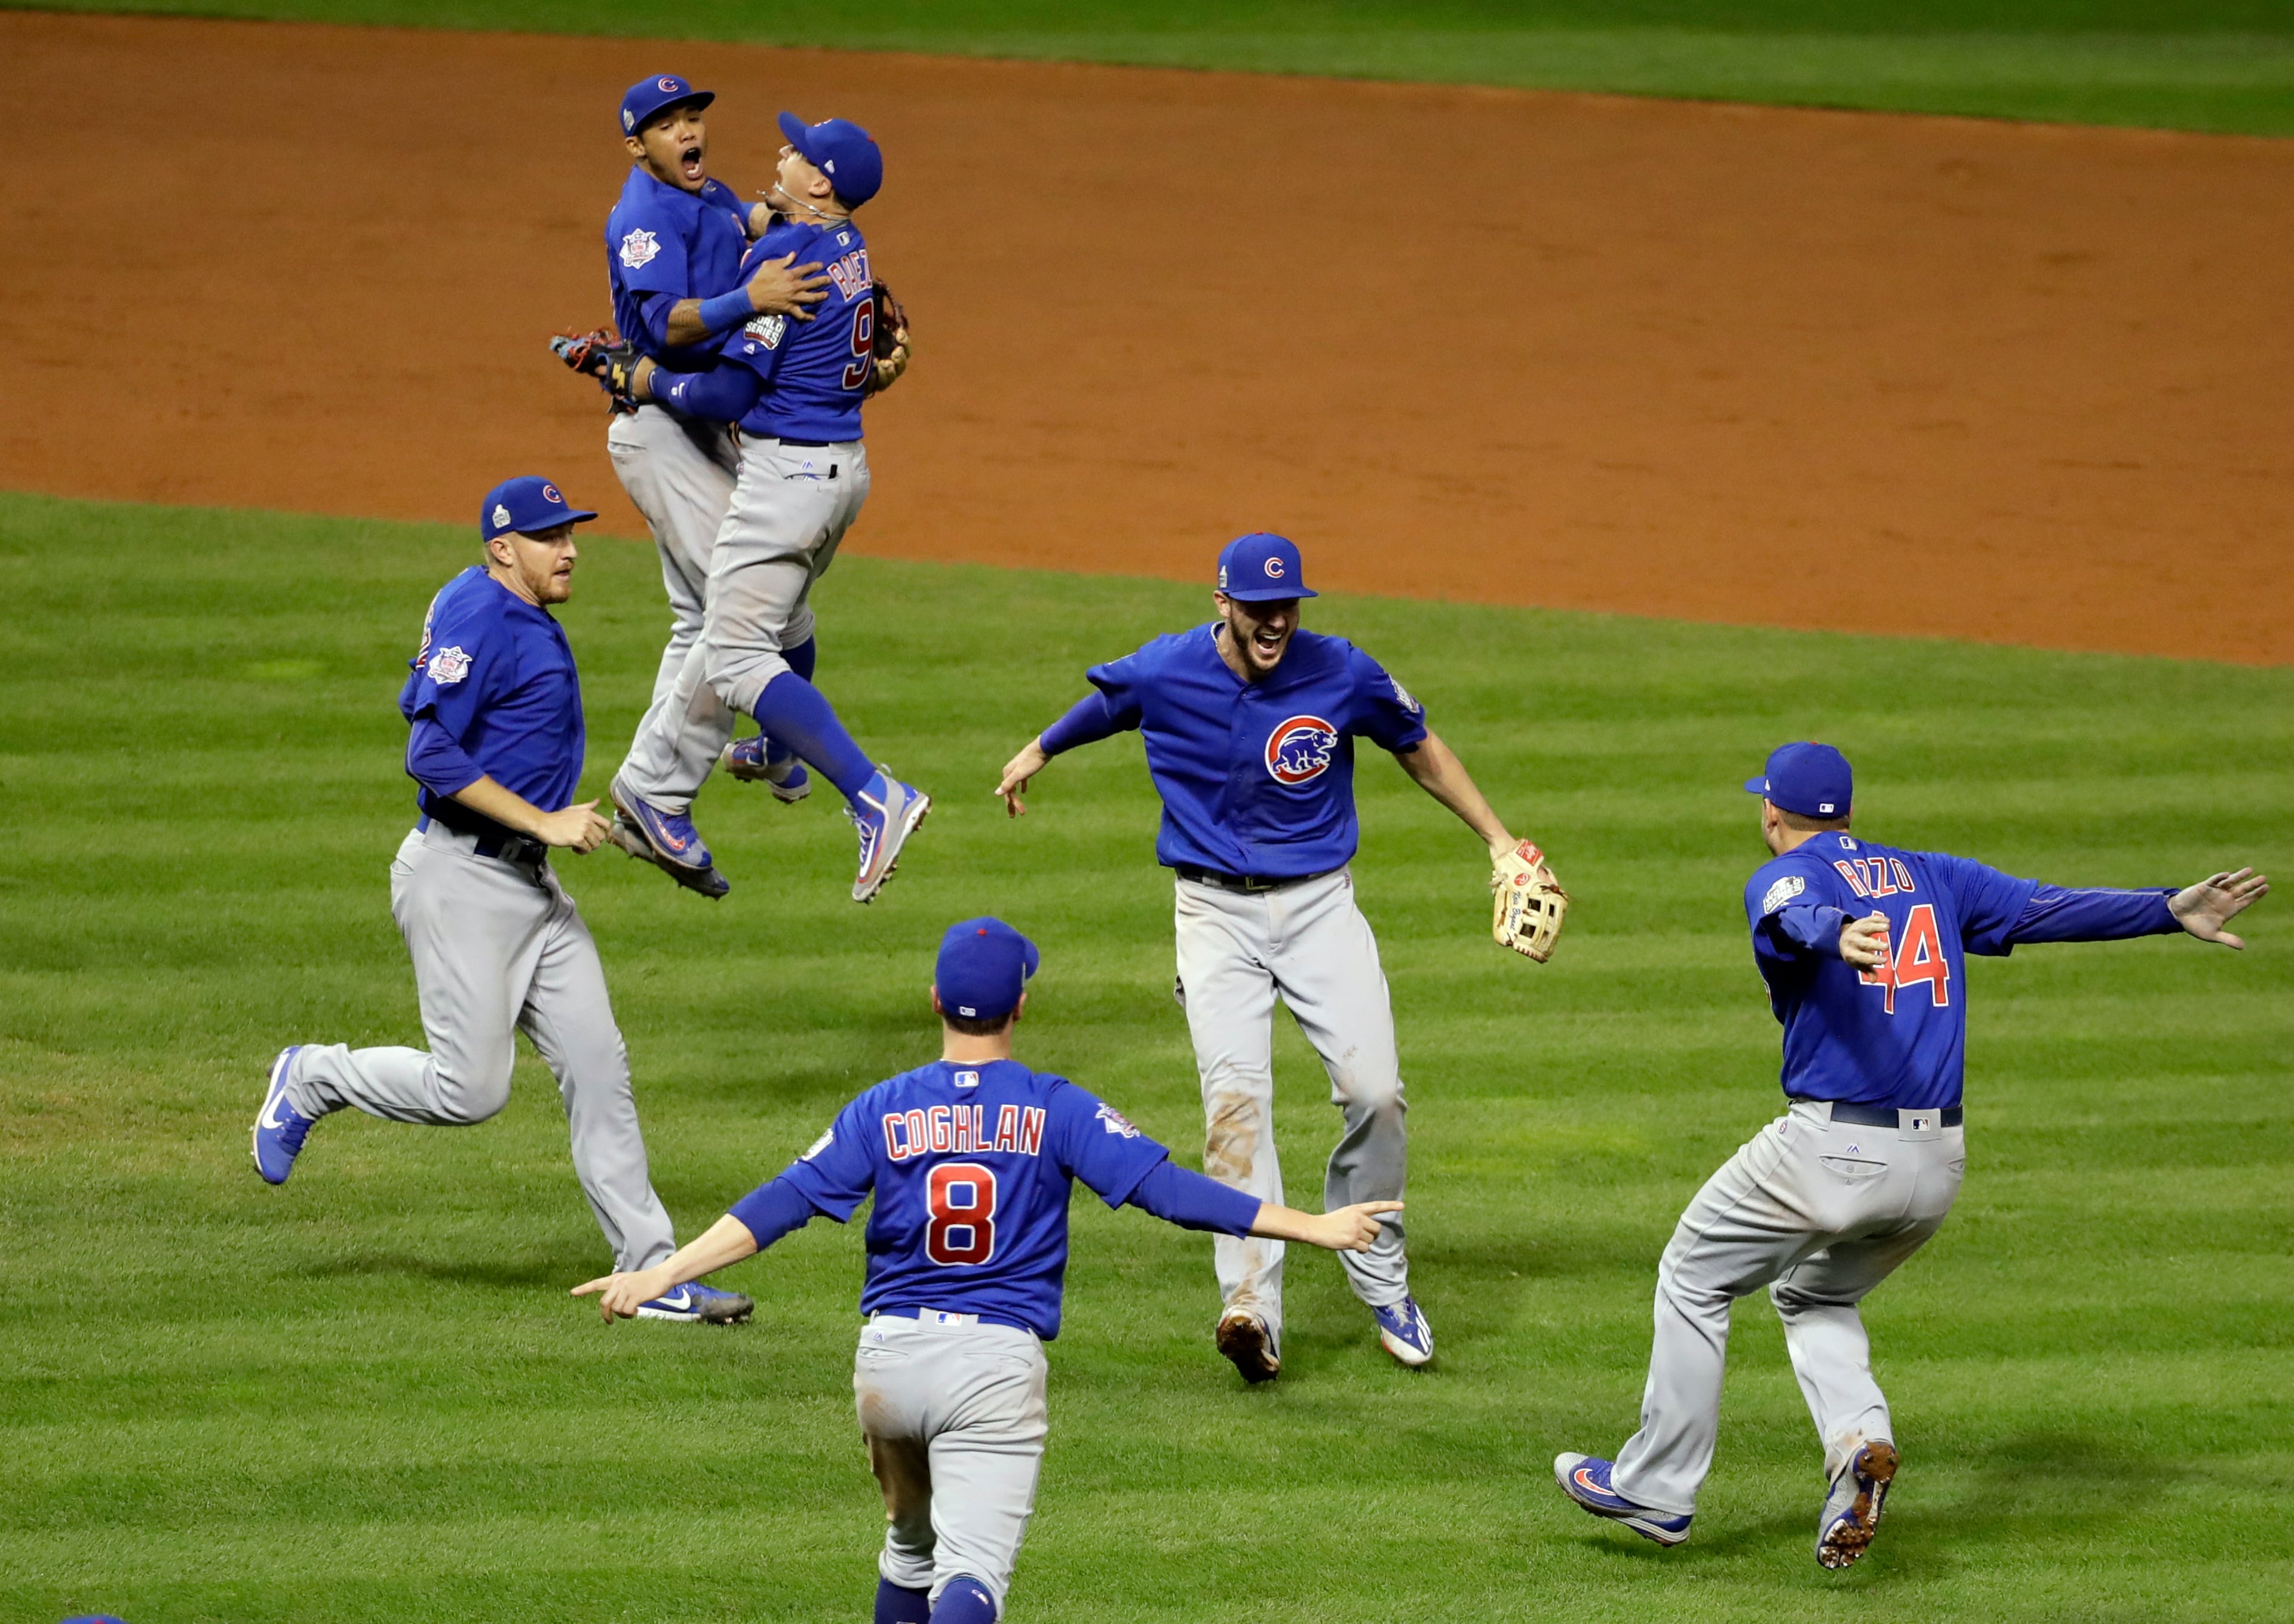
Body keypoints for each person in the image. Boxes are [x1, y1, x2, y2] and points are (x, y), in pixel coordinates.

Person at [1553, 742, 2268, 1568]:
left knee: (1692, 1274)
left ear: (1772, 813)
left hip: (1832, 1149)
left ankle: (1657, 1490)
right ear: (1849, 811)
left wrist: (1833, 934)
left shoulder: (1789, 873)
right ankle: (1860, 1450)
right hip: (1934, 1170)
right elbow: (2042, 908)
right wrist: (2165, 910)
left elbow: (1790, 911)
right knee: (1813, 1295)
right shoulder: (1935, 873)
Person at [574, 916, 1400, 1623]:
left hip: (887, 1365)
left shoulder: (883, 1106)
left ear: (936, 1002)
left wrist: (659, 1274)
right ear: (1022, 1005)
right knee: (973, 1579)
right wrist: (1314, 1227)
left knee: (910, 1544)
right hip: (993, 1371)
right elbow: (1173, 1193)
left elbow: (779, 1204)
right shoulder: (1055, 1105)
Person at [992, 533, 1546, 1382]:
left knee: (1377, 1095)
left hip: (1321, 906)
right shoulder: (1169, 667)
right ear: (1223, 604)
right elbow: (1110, 703)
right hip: (1213, 914)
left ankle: (1381, 1275)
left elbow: (1418, 744)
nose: (1275, 622)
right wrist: (1039, 749)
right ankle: (1250, 1305)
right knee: (1235, 1103)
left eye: (1287, 606)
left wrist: (1500, 843)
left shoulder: (1342, 671)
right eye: (1258, 607)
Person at [250, 477, 752, 1324]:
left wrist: (589, 828)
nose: (571, 549)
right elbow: (429, 752)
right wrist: (544, 822)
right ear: (502, 548)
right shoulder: (482, 614)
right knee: (469, 1091)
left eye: (571, 534)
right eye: (551, 537)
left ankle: (651, 1273)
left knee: (600, 1068)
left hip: (527, 884)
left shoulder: (501, 606)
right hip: (461, 881)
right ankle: (314, 1077)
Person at [607, 111, 928, 905]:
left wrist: (643, 380)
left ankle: (874, 795)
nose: (778, 152)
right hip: (840, 473)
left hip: (784, 479)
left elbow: (729, 390)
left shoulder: (786, 252)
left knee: (738, 650)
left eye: (795, 151)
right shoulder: (846, 244)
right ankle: (776, 753)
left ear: (819, 182)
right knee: (774, 627)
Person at [590, 72, 834, 898]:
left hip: (704, 428)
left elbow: (746, 222)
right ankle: (659, 792)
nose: (689, 132)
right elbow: (663, 325)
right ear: (638, 146)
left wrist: (788, 226)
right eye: (669, 125)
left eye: (694, 117)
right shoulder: (642, 218)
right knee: (745, 612)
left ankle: (686, 773)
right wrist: (751, 295)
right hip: (664, 429)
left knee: (704, 617)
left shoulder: (709, 191)